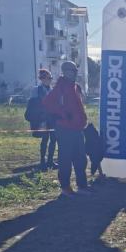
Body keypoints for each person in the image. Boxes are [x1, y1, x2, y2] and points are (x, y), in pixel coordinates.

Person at [42, 61, 90, 197]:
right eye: (72, 70)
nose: (75, 73)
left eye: (75, 70)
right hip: (65, 129)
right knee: (65, 159)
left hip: (78, 128)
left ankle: (82, 186)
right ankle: (65, 187)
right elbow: (47, 103)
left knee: (81, 158)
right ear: (65, 71)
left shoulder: (75, 87)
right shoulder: (60, 88)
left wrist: (83, 119)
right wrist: (62, 113)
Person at [25, 68, 57, 170]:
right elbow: (33, 105)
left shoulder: (52, 90)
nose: (50, 80)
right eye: (48, 78)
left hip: (51, 119)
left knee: (53, 139)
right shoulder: (36, 90)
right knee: (45, 139)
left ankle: (50, 161)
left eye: (50, 78)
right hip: (42, 118)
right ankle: (43, 160)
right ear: (42, 79)